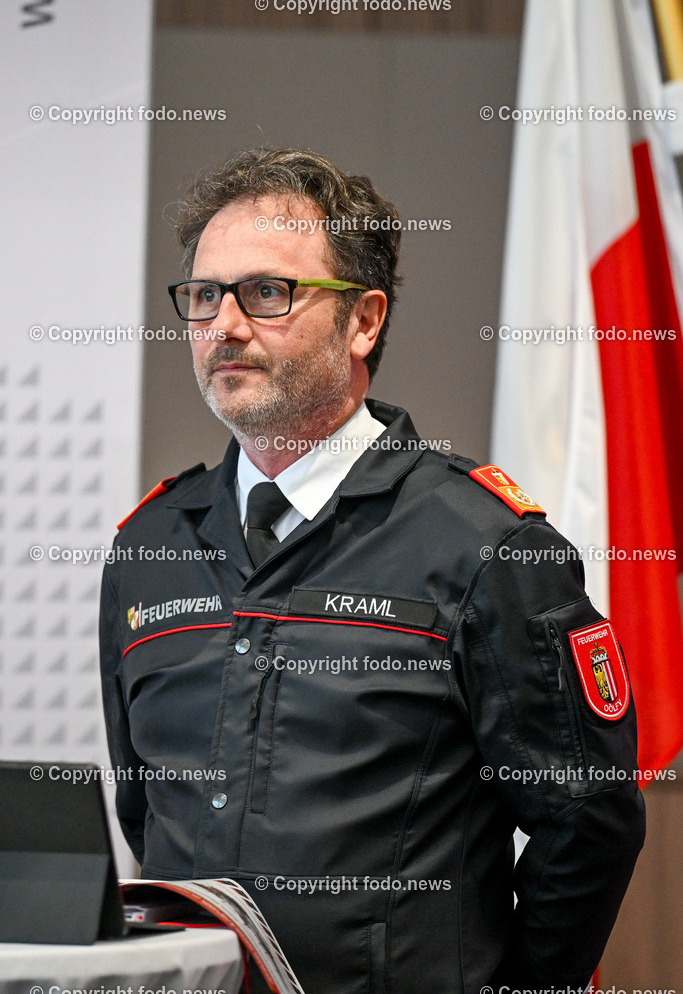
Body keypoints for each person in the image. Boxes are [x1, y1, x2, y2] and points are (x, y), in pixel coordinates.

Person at [100, 146, 645, 994]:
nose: (226, 326)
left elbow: (589, 823)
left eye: (268, 292)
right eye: (205, 295)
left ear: (363, 320)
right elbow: (144, 810)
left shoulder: (485, 544)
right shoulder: (148, 545)